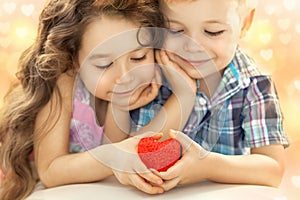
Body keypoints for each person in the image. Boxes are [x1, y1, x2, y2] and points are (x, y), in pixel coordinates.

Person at [0, 0, 196, 199]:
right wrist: (115, 155)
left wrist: (184, 95)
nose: (126, 76)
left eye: (138, 58)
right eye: (104, 64)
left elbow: (125, 155)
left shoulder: (150, 82)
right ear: (74, 59)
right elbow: (51, 171)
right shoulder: (63, 81)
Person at [132, 0, 289, 192]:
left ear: (245, 23)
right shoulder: (149, 73)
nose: (192, 46)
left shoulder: (255, 84)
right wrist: (183, 96)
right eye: (175, 31)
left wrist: (207, 165)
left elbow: (272, 169)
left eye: (213, 32)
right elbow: (133, 156)